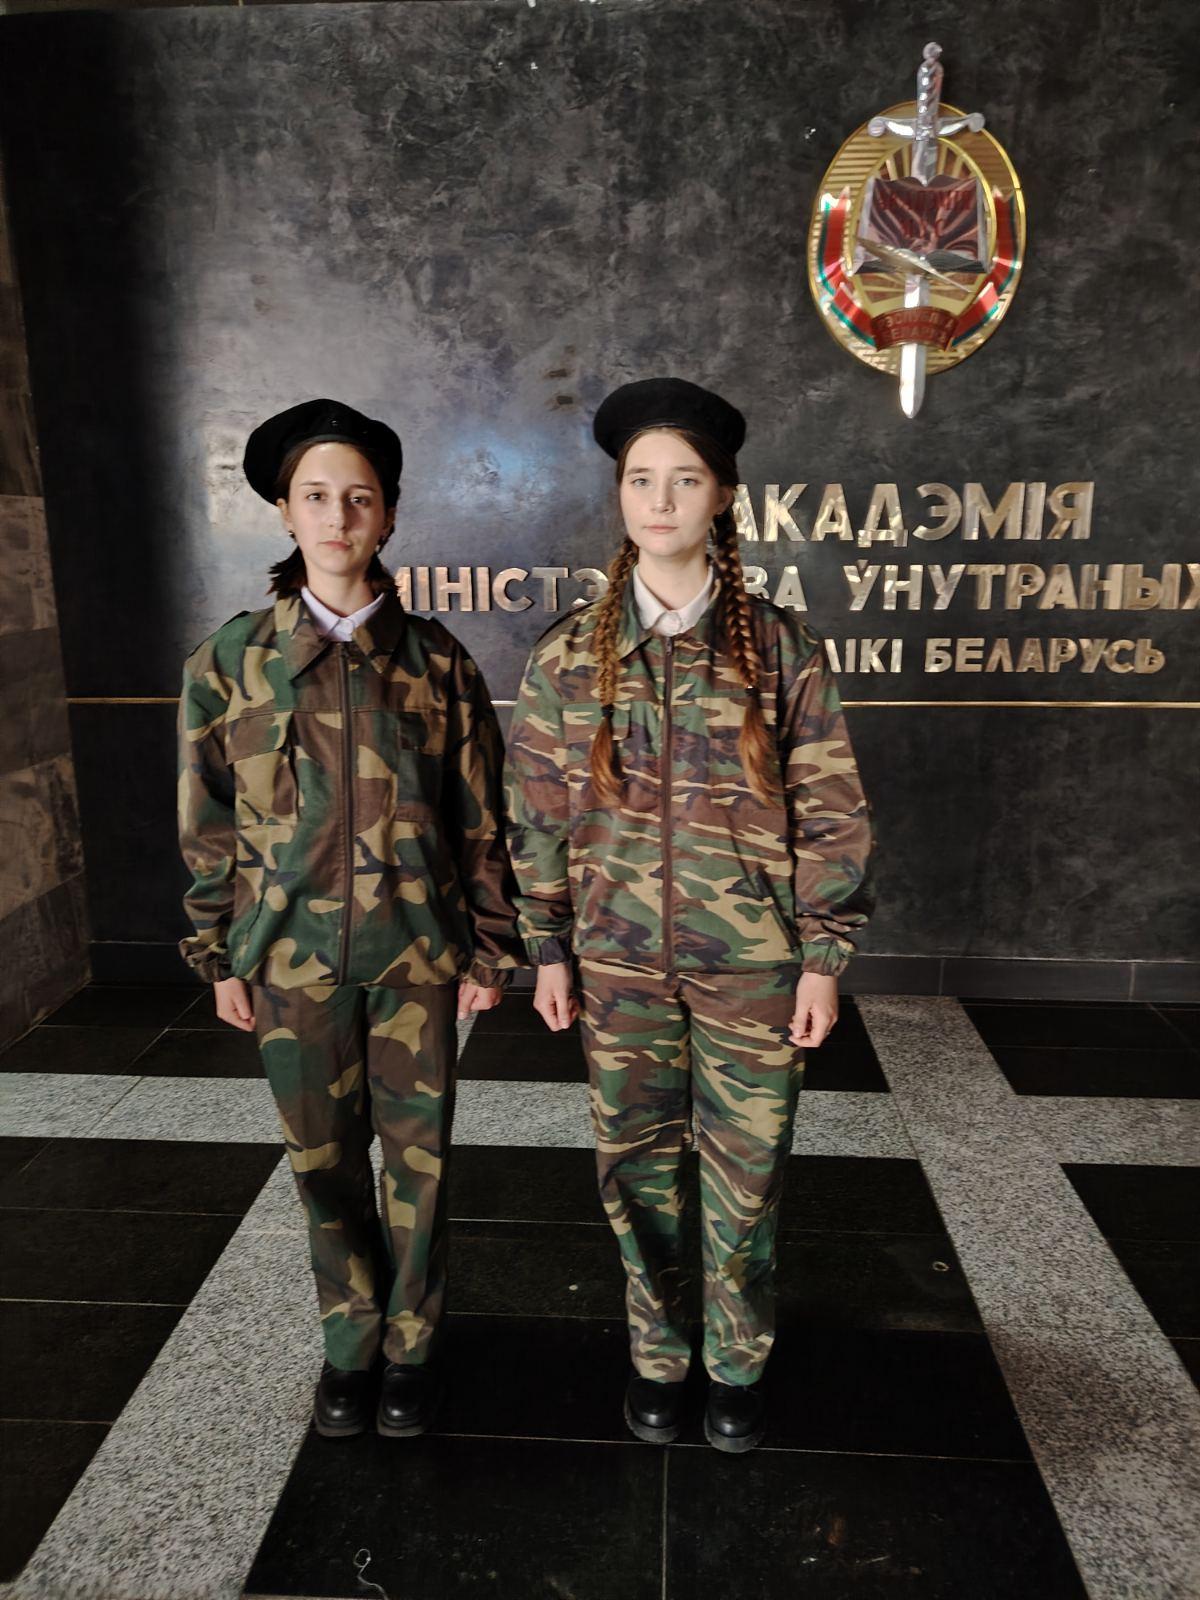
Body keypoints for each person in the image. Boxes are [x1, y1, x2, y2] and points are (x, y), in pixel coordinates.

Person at [505, 377, 875, 1453]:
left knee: (746, 1178)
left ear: (722, 496)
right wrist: (547, 946)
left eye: (684, 479)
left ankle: (737, 1359)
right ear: (620, 496)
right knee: (637, 1174)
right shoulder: (569, 655)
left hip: (753, 967)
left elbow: (832, 810)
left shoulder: (781, 648)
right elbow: (536, 812)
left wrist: (823, 956)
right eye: (640, 479)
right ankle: (660, 1355)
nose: (659, 500)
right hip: (617, 967)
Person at [177, 398, 522, 1438]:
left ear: (389, 515)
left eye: (359, 498)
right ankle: (350, 1341)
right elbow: (208, 827)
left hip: (417, 957)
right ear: (285, 513)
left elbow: (482, 820)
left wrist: (491, 949)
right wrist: (218, 954)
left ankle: (412, 1348)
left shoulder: (439, 663)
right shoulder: (230, 664)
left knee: (420, 1167)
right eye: (317, 497)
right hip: (289, 964)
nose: (338, 517)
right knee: (322, 1165)